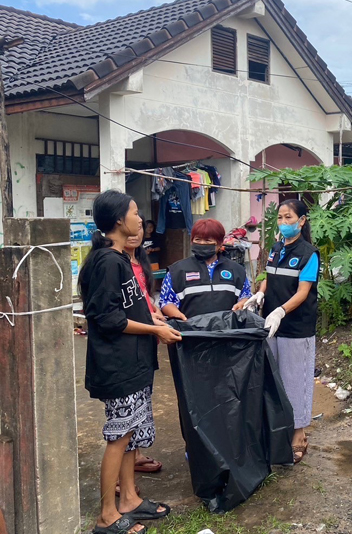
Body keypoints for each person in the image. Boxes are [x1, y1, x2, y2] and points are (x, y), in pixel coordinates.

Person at [80, 190, 181, 534]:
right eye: (135, 213)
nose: (141, 219)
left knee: (131, 434)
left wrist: (155, 321)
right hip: (117, 365)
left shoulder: (122, 258)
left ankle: (130, 500)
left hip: (134, 363)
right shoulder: (108, 262)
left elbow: (130, 308)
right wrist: (154, 331)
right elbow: (106, 317)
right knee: (119, 436)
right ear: (120, 221)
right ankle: (107, 514)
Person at [244, 199, 320, 464]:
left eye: (289, 218)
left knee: (295, 379)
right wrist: (259, 295)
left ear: (301, 221)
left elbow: (303, 292)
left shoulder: (309, 253)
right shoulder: (276, 248)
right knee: (275, 377)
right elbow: (269, 278)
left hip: (296, 327)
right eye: (280, 218)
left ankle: (299, 434)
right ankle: (278, 429)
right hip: (271, 326)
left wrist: (281, 311)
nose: (284, 222)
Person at [122, 230, 165, 479]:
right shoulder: (113, 264)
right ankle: (120, 475)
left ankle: (134, 455)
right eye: (131, 226)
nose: (135, 233)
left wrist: (154, 309)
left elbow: (143, 296)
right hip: (127, 342)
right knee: (124, 414)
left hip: (145, 341)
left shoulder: (139, 262)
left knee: (142, 400)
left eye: (139, 229)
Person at [158, 218, 251, 321]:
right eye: (197, 239)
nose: (202, 243)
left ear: (220, 244)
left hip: (228, 332)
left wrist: (242, 303)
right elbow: (166, 301)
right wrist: (178, 315)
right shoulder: (176, 271)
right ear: (192, 242)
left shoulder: (237, 270)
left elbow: (246, 295)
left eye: (207, 240)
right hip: (192, 332)